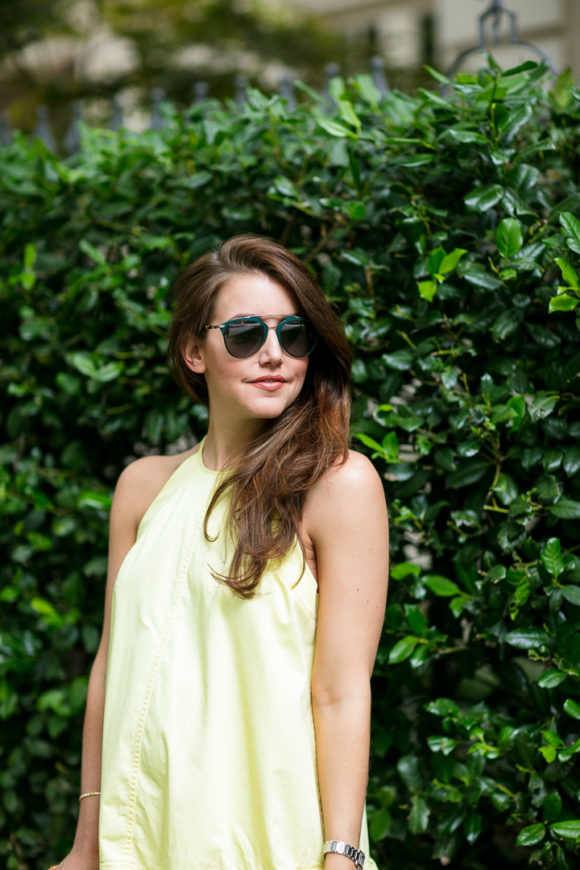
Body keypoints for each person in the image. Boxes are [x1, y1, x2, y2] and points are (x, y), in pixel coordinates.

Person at [50, 234, 389, 870]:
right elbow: (111, 667)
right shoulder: (142, 487)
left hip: (271, 834)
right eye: (243, 334)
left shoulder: (340, 486)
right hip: (142, 832)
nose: (274, 355)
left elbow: (342, 691)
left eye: (293, 335)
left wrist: (341, 853)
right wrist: (86, 841)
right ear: (193, 351)